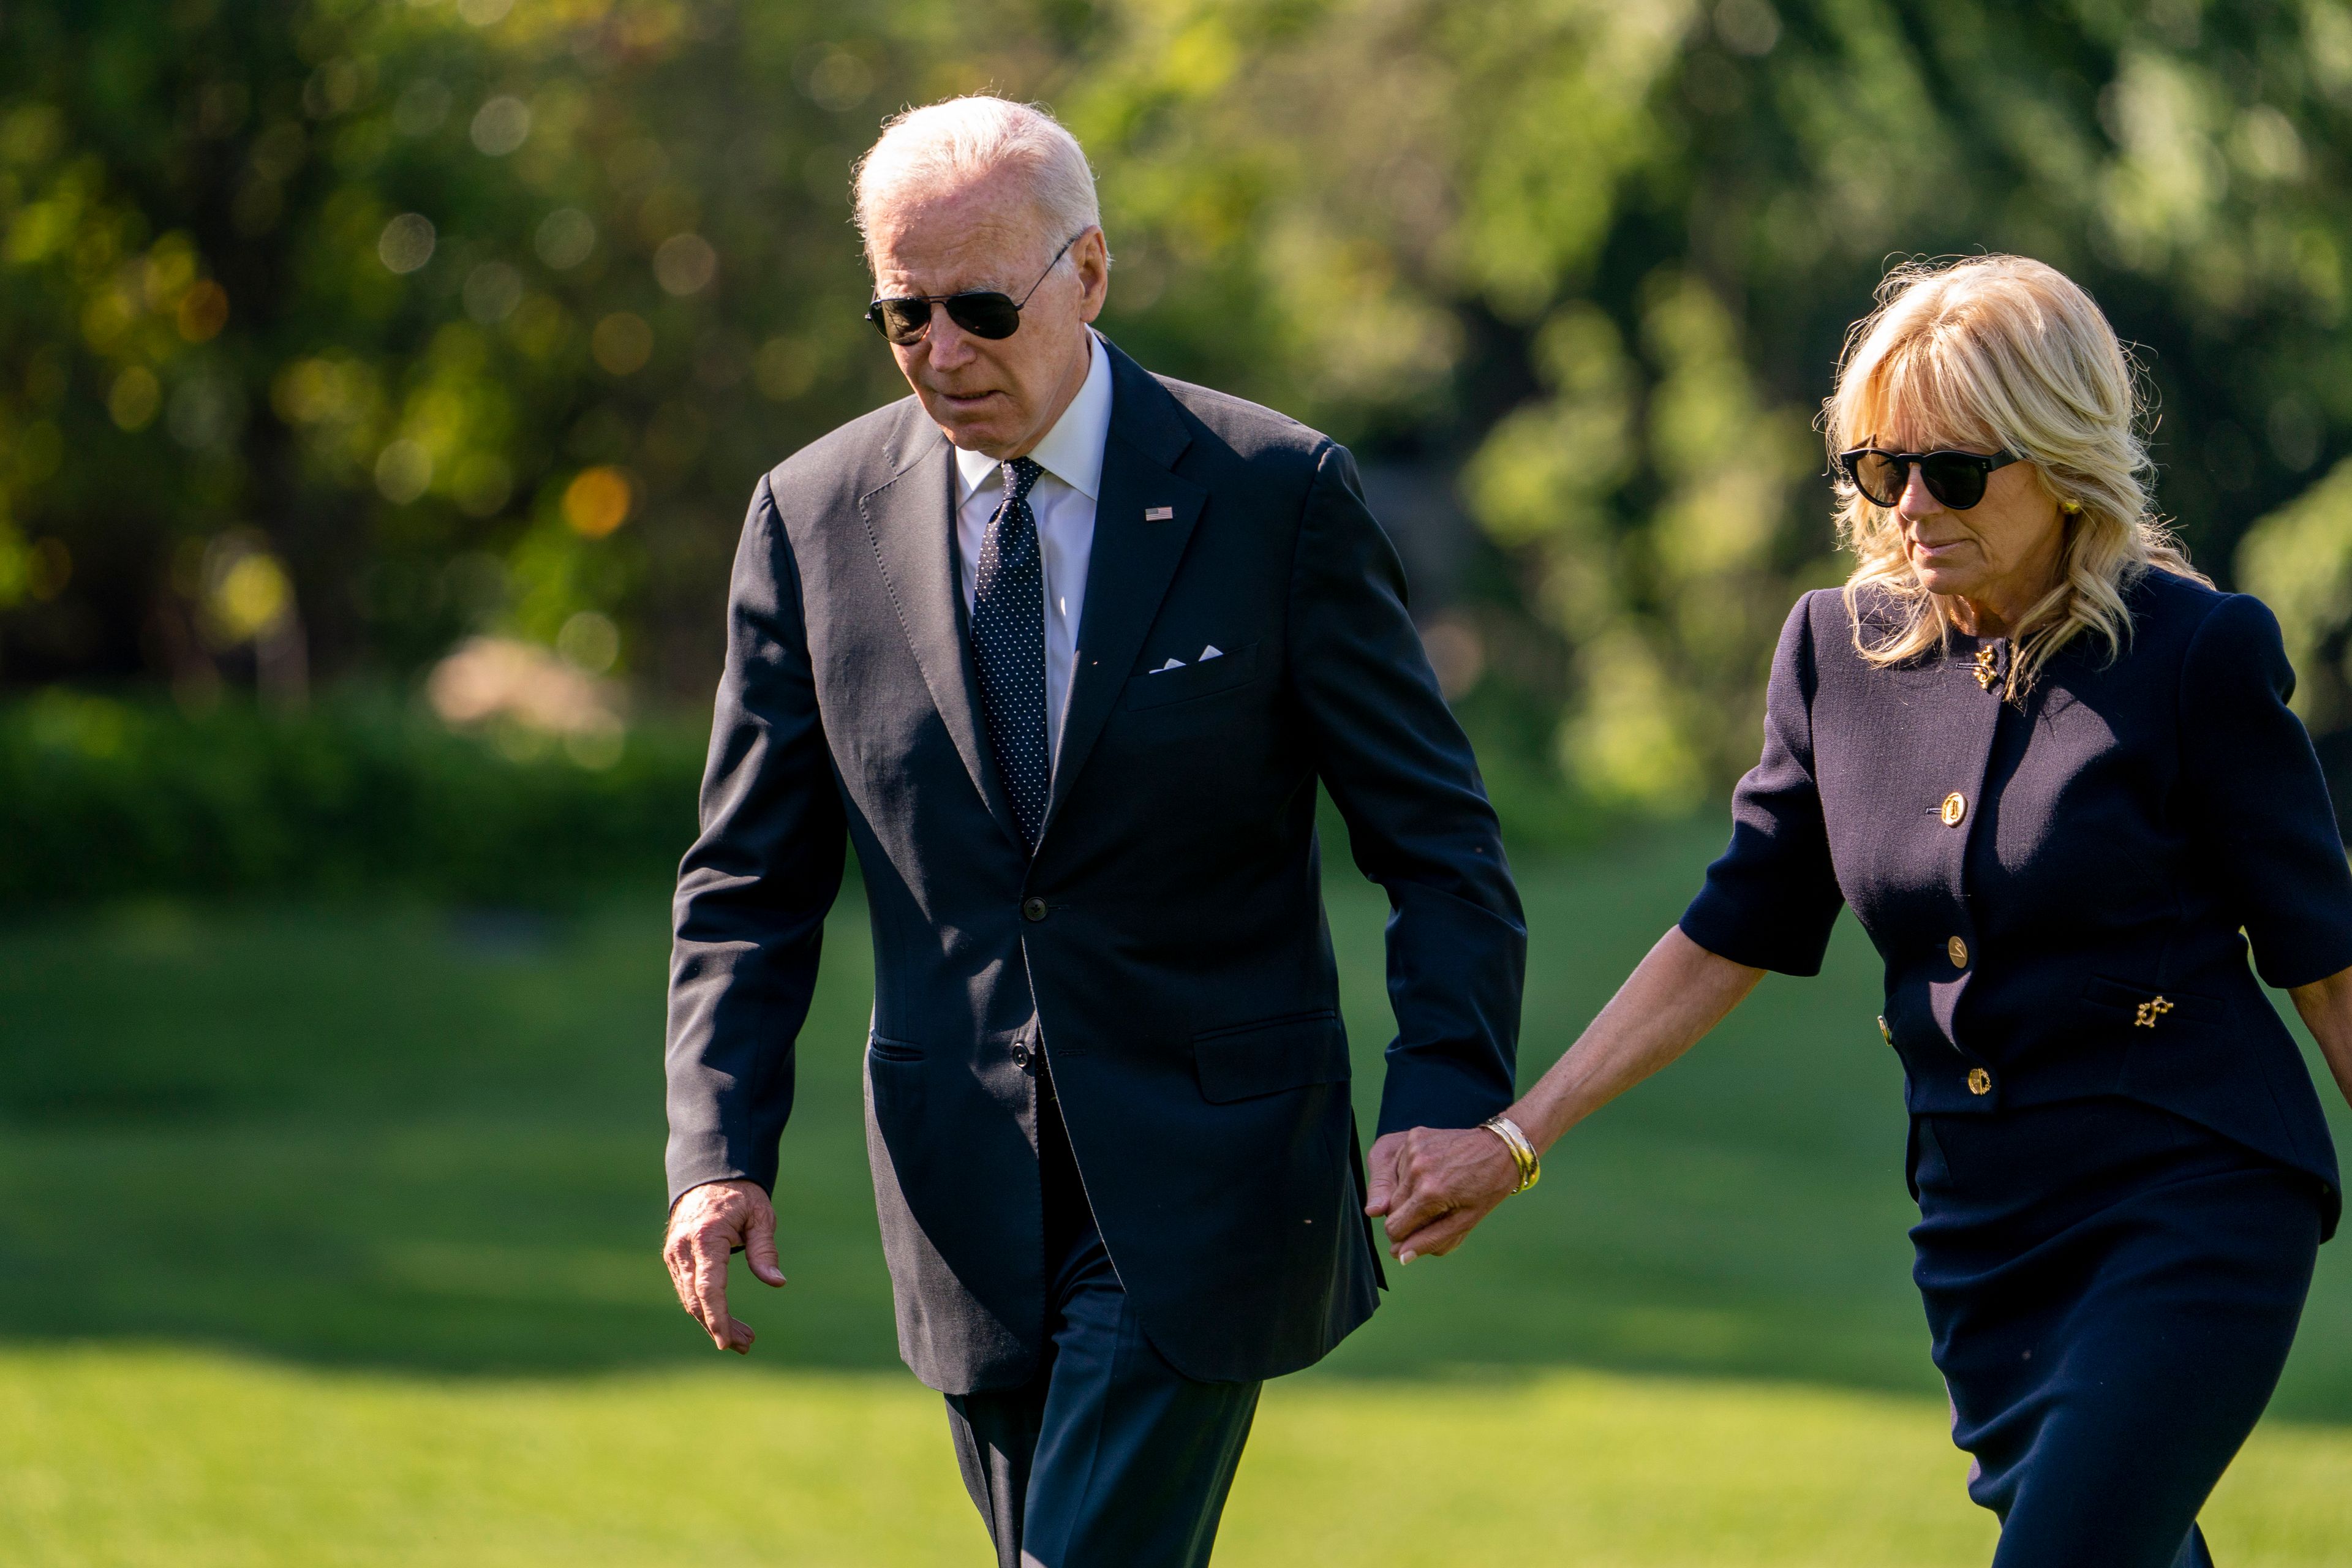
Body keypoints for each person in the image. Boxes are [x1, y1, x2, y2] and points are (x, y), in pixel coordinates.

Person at [1370, 254, 2352, 1568]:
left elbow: (2325, 962)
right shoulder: (1838, 650)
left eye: (1955, 471)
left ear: (2062, 458)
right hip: (1983, 1232)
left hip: (2190, 1205)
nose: (1911, 505)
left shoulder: (2194, 654)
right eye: (1879, 468)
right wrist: (1516, 1133)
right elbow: (1733, 928)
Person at [658, 96, 1525, 1567]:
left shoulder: (1272, 496)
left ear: (1093, 274)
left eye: (983, 308)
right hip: (961, 1189)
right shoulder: (810, 519)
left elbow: (1437, 839)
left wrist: (1445, 1087)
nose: (943, 353)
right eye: (903, 314)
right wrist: (718, 1147)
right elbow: (749, 877)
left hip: (1215, 1172)